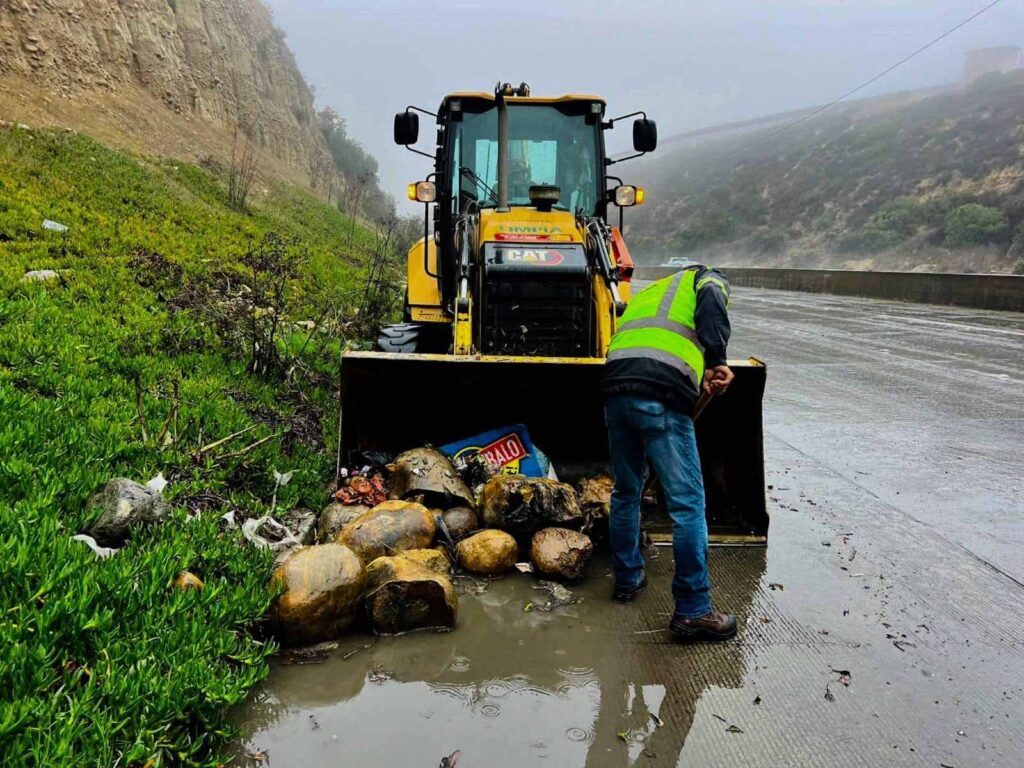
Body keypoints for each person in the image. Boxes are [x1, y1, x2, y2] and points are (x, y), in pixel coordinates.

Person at [601, 261, 737, 642]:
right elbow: (712, 298)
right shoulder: (705, 278)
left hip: (616, 385)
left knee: (626, 491)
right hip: (660, 390)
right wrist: (717, 360)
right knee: (688, 505)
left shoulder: (649, 293)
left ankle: (627, 580)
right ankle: (694, 610)